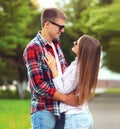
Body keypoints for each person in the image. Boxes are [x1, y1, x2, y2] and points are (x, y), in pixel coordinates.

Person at [23, 8, 78, 129]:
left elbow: (64, 74)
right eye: (60, 26)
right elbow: (38, 85)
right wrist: (65, 98)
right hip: (44, 110)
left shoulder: (56, 45)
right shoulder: (33, 47)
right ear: (47, 24)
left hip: (61, 109)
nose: (62, 30)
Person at [45, 34, 101, 129]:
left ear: (83, 50)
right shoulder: (85, 68)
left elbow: (62, 90)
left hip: (74, 118)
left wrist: (53, 68)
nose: (74, 43)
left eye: (76, 43)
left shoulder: (77, 68)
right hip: (82, 117)